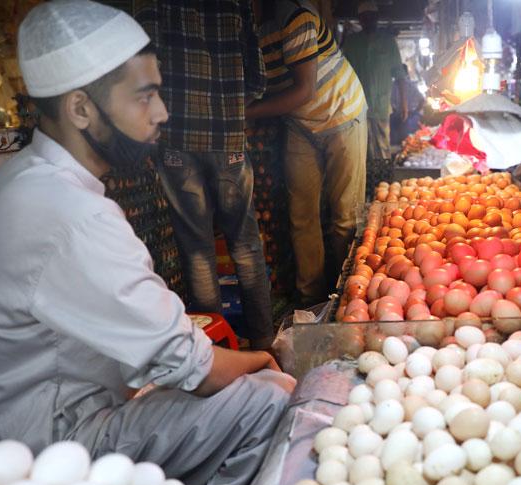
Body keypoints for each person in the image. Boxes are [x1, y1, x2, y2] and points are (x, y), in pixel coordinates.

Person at [0, 0, 293, 485]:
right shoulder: (70, 213)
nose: (162, 113)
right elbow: (201, 371)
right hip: (55, 451)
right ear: (81, 109)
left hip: (47, 416)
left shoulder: (29, 180)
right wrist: (266, 359)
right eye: (144, 96)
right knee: (269, 399)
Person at [134, 0, 275, 351]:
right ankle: (263, 344)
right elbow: (257, 77)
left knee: (197, 248)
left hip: (177, 138)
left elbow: (142, 63)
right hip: (228, 138)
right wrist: (232, 106)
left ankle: (217, 349)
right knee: (245, 242)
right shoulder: (237, 4)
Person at [248, 0, 367, 306]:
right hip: (300, 124)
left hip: (341, 114)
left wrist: (248, 113)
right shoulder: (245, 30)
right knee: (301, 215)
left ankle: (347, 297)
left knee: (344, 216)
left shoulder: (296, 18)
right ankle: (311, 298)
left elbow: (304, 90)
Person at [341, 1, 406, 160]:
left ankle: (383, 181)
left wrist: (404, 103)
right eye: (364, 17)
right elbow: (342, 75)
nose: (368, 20)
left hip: (381, 106)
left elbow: (399, 75)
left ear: (377, 18)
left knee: (382, 148)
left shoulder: (388, 42)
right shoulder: (351, 43)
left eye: (371, 17)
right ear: (360, 19)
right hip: (356, 107)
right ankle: (366, 183)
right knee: (360, 151)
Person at [390, 64, 423, 146]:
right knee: (400, 141)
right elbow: (422, 100)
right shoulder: (393, 86)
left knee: (408, 142)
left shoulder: (410, 85)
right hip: (400, 116)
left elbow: (422, 100)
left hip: (409, 116)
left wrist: (415, 112)